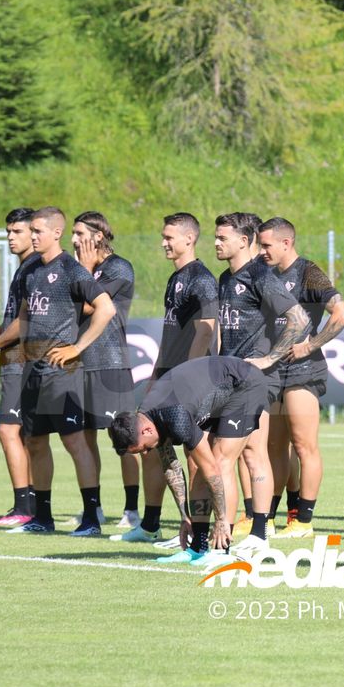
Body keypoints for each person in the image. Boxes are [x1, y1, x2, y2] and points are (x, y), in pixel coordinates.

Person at [0, 206, 115, 536]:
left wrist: (77, 347)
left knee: (75, 444)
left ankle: (91, 518)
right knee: (36, 443)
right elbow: (26, 316)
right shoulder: (32, 272)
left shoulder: (71, 270)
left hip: (63, 374)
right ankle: (43, 517)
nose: (33, 236)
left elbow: (105, 308)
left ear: (56, 233)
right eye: (33, 231)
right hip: (32, 371)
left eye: (38, 231)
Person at [108, 356, 269, 567]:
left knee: (219, 462)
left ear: (146, 430)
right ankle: (198, 546)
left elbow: (211, 469)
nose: (147, 453)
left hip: (243, 384)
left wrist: (220, 520)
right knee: (195, 464)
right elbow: (171, 469)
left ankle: (222, 549)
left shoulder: (174, 416)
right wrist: (185, 517)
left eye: (145, 448)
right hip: (214, 394)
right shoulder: (147, 417)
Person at [116, 212, 217, 546]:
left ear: (189, 239)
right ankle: (176, 524)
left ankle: (206, 531)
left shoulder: (201, 277)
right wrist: (157, 376)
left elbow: (208, 328)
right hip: (168, 380)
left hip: (192, 381)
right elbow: (169, 332)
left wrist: (188, 374)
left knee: (195, 457)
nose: (163, 242)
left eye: (169, 237)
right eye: (163, 236)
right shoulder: (175, 279)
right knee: (159, 451)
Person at [214, 212, 309, 555]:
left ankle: (228, 538)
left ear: (244, 240)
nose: (216, 243)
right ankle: (257, 533)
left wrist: (270, 358)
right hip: (228, 376)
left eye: (223, 238)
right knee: (250, 454)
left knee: (225, 457)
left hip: (253, 380)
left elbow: (298, 319)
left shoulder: (260, 275)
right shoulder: (225, 279)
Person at [257, 217, 344, 539]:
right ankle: (269, 516)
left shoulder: (308, 272)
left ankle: (303, 522)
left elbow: (343, 314)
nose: (262, 250)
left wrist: (310, 344)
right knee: (274, 447)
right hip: (273, 372)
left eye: (267, 245)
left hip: (302, 371)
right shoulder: (265, 273)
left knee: (303, 446)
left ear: (286, 243)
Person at [68, 211, 137, 530]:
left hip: (110, 362)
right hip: (78, 364)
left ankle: (132, 510)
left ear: (98, 236)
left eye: (79, 233)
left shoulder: (118, 267)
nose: (73, 239)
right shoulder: (77, 267)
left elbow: (87, 305)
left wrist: (81, 271)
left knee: (124, 441)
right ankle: (92, 508)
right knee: (83, 438)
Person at [0, 207, 39, 527]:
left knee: (8, 430)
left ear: (34, 233)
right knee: (27, 436)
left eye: (18, 232)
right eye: (9, 232)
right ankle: (34, 507)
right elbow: (18, 318)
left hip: (20, 359)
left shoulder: (32, 269)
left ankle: (25, 507)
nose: (11, 238)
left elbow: (27, 321)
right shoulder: (24, 269)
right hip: (18, 357)